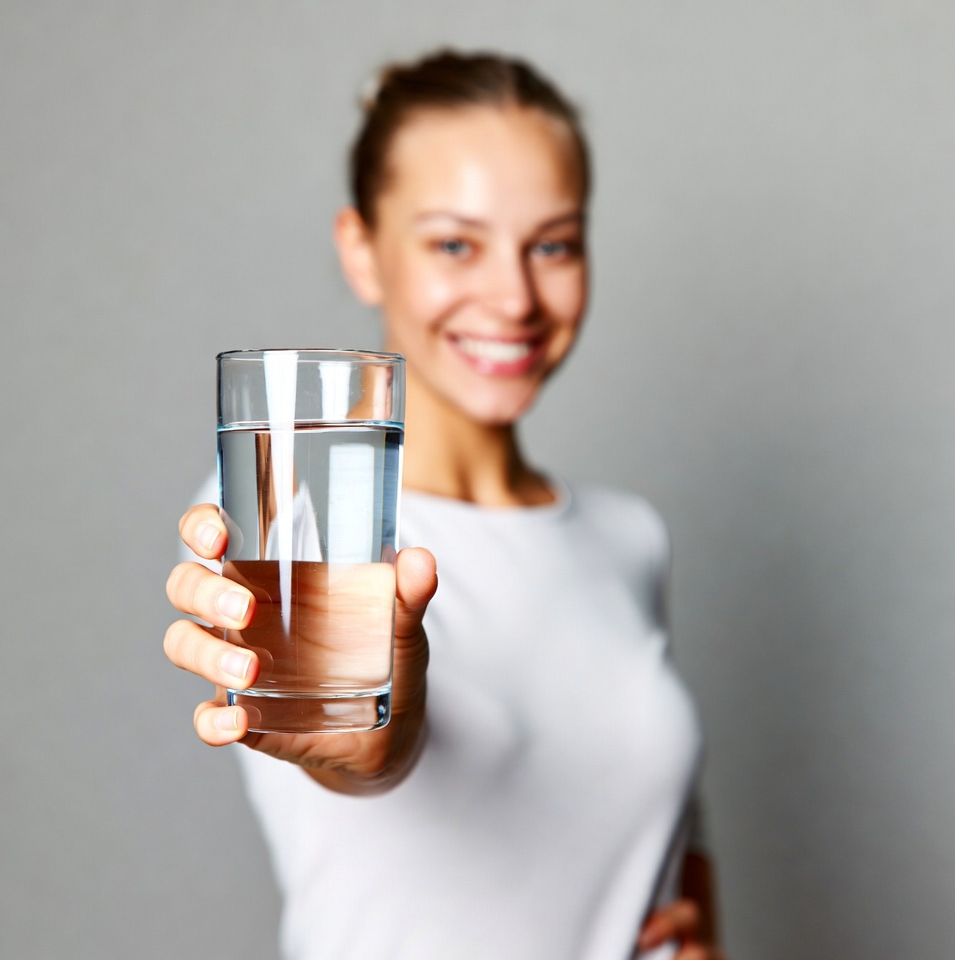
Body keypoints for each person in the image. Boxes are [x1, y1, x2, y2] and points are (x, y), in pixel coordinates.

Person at [165, 50, 727, 960]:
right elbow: (361, 755)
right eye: (455, 244)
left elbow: (666, 830)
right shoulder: (285, 514)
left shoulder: (630, 540)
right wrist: (364, 726)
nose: (513, 297)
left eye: (553, 244)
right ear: (362, 250)